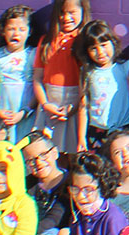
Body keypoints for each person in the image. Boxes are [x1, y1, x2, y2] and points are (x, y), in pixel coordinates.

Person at [30, 0, 91, 150]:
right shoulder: (46, 41)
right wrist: (45, 104)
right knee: (44, 150)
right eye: (62, 13)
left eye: (72, 12)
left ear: (83, 12)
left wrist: (73, 107)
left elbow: (86, 83)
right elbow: (37, 78)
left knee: (70, 152)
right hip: (48, 103)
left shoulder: (85, 41)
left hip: (74, 104)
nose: (66, 17)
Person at [75, 20, 129, 149]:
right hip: (97, 131)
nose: (100, 52)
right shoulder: (87, 72)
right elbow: (83, 106)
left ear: (113, 43)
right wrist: (81, 138)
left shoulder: (125, 67)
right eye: (93, 48)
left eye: (103, 45)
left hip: (122, 128)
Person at [0, 5, 36, 137]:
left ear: (29, 31)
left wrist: (24, 112)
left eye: (22, 29)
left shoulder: (33, 55)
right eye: (11, 29)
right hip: (3, 114)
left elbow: (38, 85)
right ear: (3, 31)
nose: (16, 34)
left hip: (26, 115)